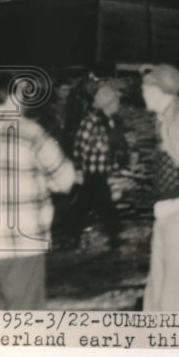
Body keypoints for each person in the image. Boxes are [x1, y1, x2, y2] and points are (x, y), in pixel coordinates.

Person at [0, 72, 76, 309]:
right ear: (12, 97)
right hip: (22, 245)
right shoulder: (30, 132)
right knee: (25, 330)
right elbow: (66, 179)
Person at [141, 64, 179, 312]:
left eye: (144, 88)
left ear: (156, 90)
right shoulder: (166, 117)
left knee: (176, 283)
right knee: (160, 279)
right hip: (168, 209)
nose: (142, 94)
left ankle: (174, 339)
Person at [69, 84, 124, 249]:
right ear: (108, 103)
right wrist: (79, 167)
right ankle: (114, 232)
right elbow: (79, 146)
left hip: (100, 171)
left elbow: (110, 147)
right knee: (101, 203)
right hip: (92, 171)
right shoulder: (90, 122)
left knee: (88, 203)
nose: (118, 104)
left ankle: (73, 233)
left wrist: (113, 164)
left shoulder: (110, 121)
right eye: (116, 101)